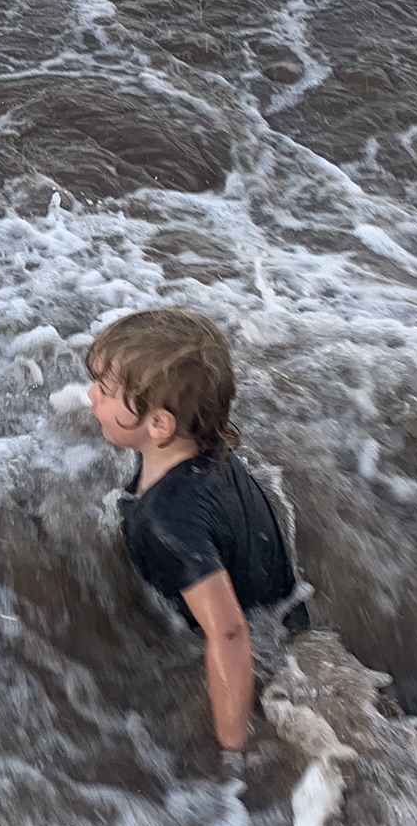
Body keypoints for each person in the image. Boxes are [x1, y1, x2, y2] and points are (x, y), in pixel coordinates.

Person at [86, 309, 301, 755]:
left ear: (159, 425)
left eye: (106, 392)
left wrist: (232, 750)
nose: (91, 397)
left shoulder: (166, 521)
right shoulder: (214, 452)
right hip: (283, 618)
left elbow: (228, 632)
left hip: (262, 657)